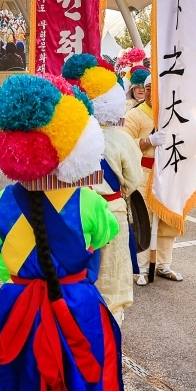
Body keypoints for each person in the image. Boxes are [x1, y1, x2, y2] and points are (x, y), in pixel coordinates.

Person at [0, 74, 130, 391]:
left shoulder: (1, 205)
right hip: (78, 309)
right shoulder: (89, 203)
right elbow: (101, 245)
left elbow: (3, 267)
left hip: (17, 312)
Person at [63, 54, 139, 324]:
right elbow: (134, 178)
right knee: (114, 276)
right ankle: (112, 335)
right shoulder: (121, 138)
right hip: (114, 211)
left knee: (80, 271)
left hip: (78, 210)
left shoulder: (73, 135)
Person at [121, 66, 178, 282]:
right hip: (144, 172)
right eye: (150, 89)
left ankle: (164, 264)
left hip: (168, 173)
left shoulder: (173, 113)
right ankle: (141, 268)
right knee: (143, 219)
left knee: (167, 218)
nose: (154, 94)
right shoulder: (134, 115)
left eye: (159, 89)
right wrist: (147, 141)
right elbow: (124, 143)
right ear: (144, 91)